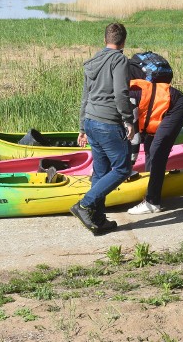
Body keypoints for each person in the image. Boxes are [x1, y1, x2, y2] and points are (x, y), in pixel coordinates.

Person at [70, 23, 135, 234]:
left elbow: (85, 97)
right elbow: (120, 94)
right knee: (123, 168)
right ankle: (85, 204)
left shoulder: (94, 60)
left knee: (100, 172)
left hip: (90, 120)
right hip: (108, 123)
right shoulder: (119, 60)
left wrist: (82, 126)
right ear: (124, 41)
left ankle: (98, 220)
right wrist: (128, 120)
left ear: (105, 39)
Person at [126, 60, 183, 214]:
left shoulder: (128, 99)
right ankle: (150, 187)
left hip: (176, 107)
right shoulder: (116, 98)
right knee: (149, 148)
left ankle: (152, 202)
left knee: (157, 150)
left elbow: (133, 141)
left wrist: (126, 168)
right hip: (158, 109)